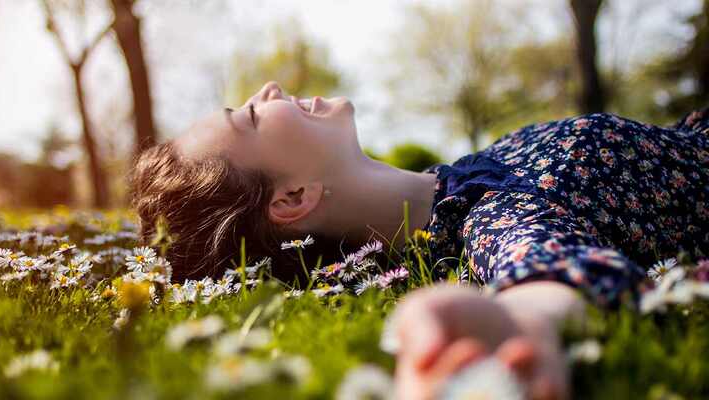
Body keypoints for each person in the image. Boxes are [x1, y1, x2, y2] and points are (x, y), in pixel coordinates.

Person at [129, 81, 709, 399]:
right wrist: (516, 327)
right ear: (292, 198)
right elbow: (548, 272)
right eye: (251, 118)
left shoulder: (464, 176)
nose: (271, 88)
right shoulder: (486, 217)